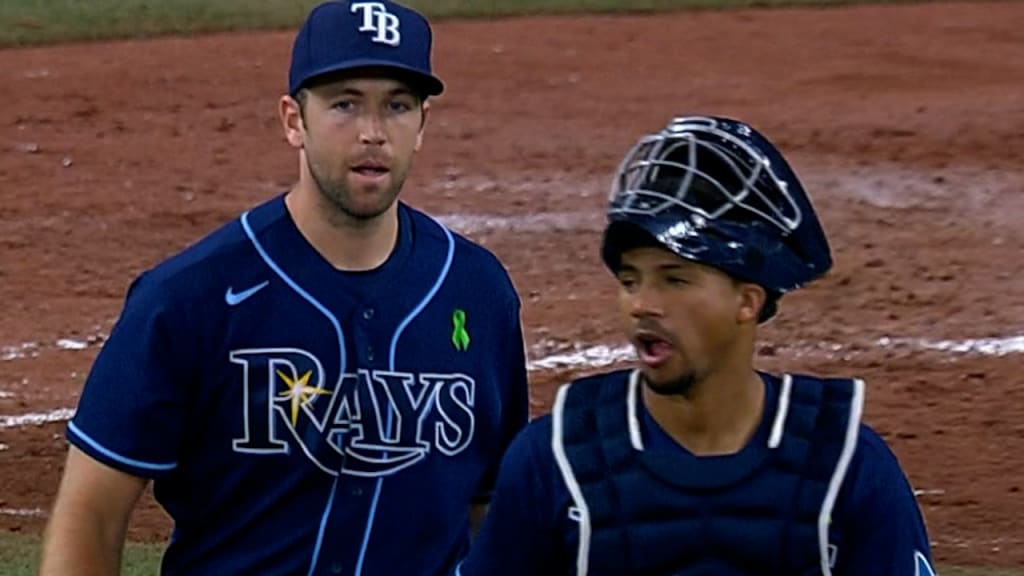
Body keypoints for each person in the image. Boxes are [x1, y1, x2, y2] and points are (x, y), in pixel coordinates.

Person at [39, 1, 529, 574]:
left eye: (396, 105)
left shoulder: (478, 292)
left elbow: (491, 513)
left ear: (423, 124)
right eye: (344, 103)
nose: (373, 133)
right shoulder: (189, 297)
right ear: (293, 119)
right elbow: (90, 516)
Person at [455, 115, 936, 576]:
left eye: (674, 280)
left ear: (747, 300)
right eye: (630, 280)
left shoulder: (843, 465)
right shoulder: (555, 459)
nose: (642, 304)